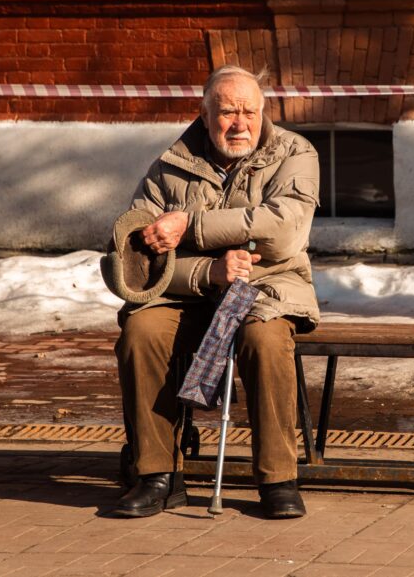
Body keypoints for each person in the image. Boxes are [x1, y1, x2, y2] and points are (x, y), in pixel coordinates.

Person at [112, 65, 320, 519]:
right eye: (227, 112)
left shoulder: (295, 153)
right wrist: (209, 271)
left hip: (268, 284)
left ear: (264, 111)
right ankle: (158, 475)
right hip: (186, 291)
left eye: (249, 111)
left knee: (262, 339)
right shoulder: (170, 165)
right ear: (204, 114)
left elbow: (282, 231)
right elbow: (135, 257)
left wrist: (190, 224)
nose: (240, 123)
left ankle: (277, 478)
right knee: (141, 331)